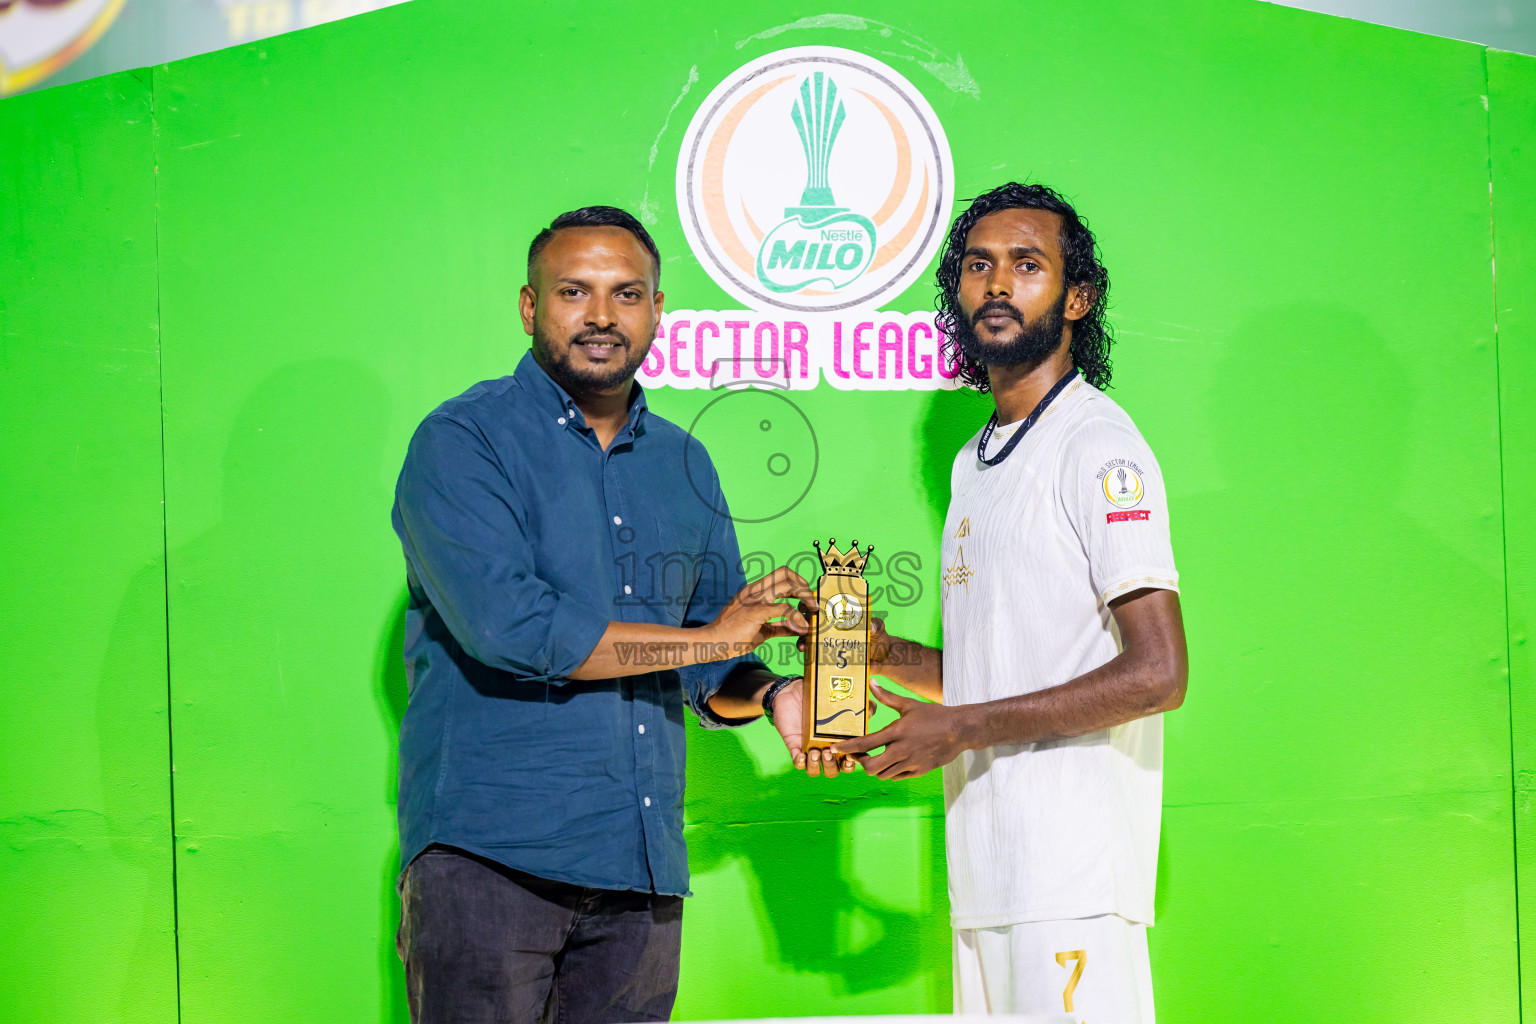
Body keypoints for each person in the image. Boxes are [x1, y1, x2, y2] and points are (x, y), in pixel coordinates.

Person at [389, 205, 843, 1024]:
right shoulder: (463, 441)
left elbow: (708, 660)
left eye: (627, 294)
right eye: (574, 291)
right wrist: (709, 637)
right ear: (531, 308)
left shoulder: (683, 460)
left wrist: (776, 696)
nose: (601, 316)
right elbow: (513, 631)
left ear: (658, 311)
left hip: (639, 874)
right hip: (492, 864)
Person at [830, 183, 1189, 1022]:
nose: (998, 285)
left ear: (1076, 298)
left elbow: (1158, 673)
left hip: (1072, 877)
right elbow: (1000, 673)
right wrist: (882, 654)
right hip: (986, 871)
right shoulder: (973, 461)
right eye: (979, 266)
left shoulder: (1099, 445)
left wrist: (959, 729)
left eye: (1027, 266)